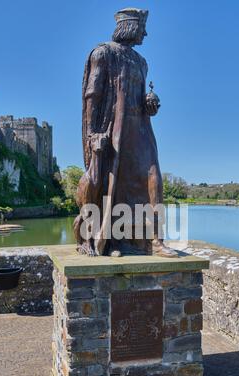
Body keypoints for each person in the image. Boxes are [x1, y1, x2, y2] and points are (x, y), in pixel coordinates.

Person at [74, 8, 178, 258]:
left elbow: (140, 99)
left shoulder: (142, 62)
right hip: (114, 130)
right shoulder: (103, 53)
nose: (145, 33)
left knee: (154, 178)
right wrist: (92, 135)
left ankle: (156, 240)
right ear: (131, 26)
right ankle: (115, 242)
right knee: (116, 185)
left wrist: (150, 104)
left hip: (141, 128)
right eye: (143, 27)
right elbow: (92, 97)